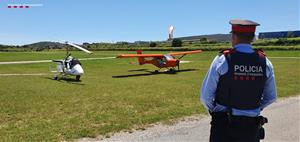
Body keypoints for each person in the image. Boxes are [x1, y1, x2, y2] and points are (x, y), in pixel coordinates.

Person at [200, 19, 277, 142]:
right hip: (251, 127)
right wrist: (254, 108)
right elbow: (271, 97)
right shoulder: (265, 62)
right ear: (253, 37)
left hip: (224, 124)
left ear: (234, 36)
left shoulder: (222, 59)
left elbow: (205, 97)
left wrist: (216, 110)